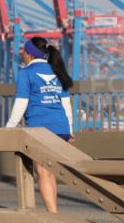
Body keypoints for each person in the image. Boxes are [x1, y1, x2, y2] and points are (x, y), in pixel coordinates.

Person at [5, 36, 74, 213]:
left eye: (23, 51)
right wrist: (70, 130)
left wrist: (9, 128)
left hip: (40, 129)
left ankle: (54, 215)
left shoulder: (26, 73)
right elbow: (66, 105)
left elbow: (21, 103)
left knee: (42, 172)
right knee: (50, 172)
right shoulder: (58, 71)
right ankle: (54, 210)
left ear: (29, 54)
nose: (22, 54)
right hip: (61, 128)